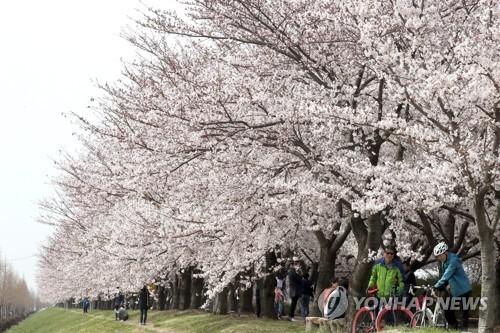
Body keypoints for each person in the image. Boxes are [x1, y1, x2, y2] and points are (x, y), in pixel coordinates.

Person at [433, 242, 472, 330]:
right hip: (454, 291)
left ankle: (463, 330)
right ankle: (453, 328)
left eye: (440, 255)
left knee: (463, 315)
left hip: (464, 291)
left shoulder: (453, 260)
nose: (439, 258)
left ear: (445, 252)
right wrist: (441, 287)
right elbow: (444, 277)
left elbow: (447, 275)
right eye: (437, 256)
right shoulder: (444, 262)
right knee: (447, 311)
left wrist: (436, 286)